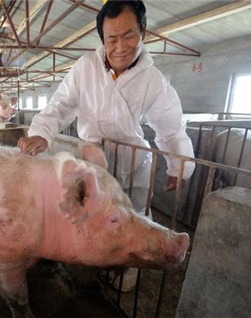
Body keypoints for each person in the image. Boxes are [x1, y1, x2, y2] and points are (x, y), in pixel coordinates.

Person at [18, 0, 195, 291]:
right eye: (112, 38)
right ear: (102, 39)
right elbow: (60, 106)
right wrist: (41, 132)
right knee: (95, 215)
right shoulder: (85, 67)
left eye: (129, 35)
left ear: (143, 33)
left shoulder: (152, 80)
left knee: (135, 216)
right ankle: (96, 260)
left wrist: (179, 167)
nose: (120, 46)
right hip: (93, 160)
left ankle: (129, 268)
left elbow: (171, 125)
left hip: (132, 160)